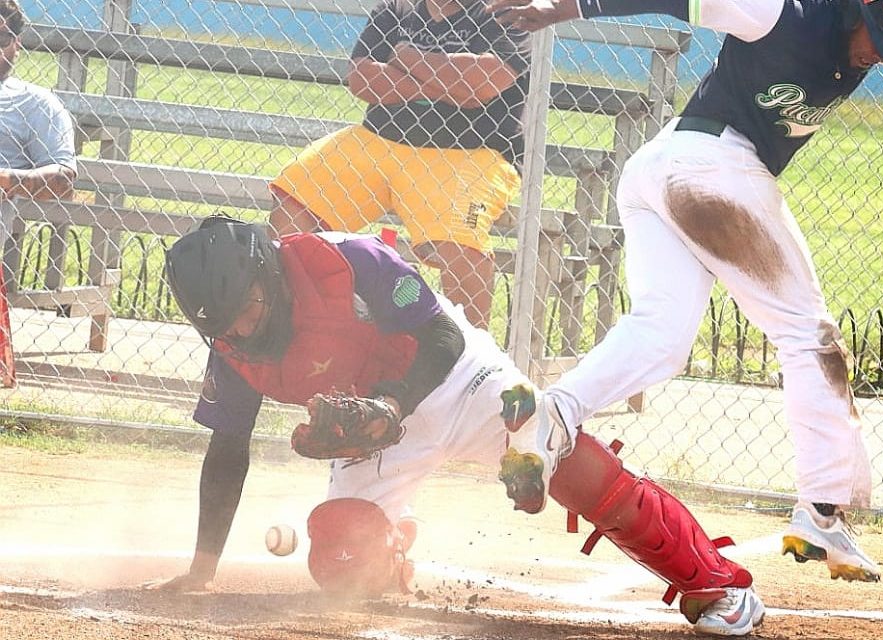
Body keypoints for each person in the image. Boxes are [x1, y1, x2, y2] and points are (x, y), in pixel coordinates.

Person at [485, 0, 883, 585]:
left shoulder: (876, 40)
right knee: (810, 337)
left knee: (662, 336)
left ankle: (549, 417)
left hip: (666, 172)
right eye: (874, 42)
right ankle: (823, 509)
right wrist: (561, 9)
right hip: (710, 166)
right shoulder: (781, 14)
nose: (874, 56)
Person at [150, 216, 765, 637]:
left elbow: (440, 337)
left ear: (267, 273)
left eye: (248, 311)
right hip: (379, 431)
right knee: (339, 556)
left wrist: (392, 405)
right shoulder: (233, 344)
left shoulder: (347, 260)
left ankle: (716, 585)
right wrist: (203, 565)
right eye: (224, 327)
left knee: (573, 470)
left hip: (456, 382)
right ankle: (391, 554)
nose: (241, 332)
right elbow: (227, 446)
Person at [269, 0, 527, 330]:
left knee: (461, 241)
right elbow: (362, 80)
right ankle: (307, 329)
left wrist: (407, 57)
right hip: (379, 140)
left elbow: (482, 84)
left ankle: (469, 357)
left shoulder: (505, 10)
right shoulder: (396, 8)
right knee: (295, 194)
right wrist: (447, 85)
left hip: (471, 152)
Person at [0, 0, 77, 386]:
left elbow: (63, 177)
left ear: (16, 44)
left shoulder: (35, 103)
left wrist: (6, 179)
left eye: (1, 37)